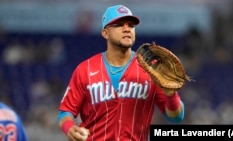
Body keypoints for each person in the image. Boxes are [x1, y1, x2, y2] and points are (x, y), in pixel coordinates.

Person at [57, 4, 185, 141]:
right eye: (119, 25)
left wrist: (171, 95)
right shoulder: (85, 69)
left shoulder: (151, 69)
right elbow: (65, 112)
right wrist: (70, 128)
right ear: (105, 33)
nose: (126, 29)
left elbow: (177, 117)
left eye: (131, 25)